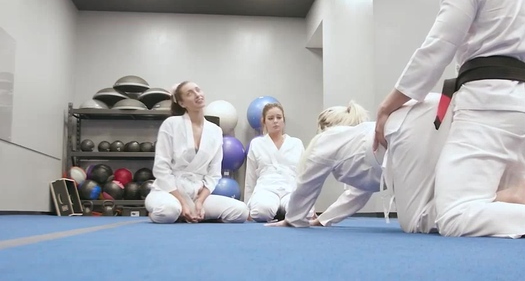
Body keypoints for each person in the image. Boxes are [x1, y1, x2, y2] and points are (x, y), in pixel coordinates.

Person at [373, 0, 525, 237]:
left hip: (488, 104)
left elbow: (436, 50)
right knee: (503, 193)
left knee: (455, 214)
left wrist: (386, 107)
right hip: (521, 104)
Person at [267, 94, 450, 233]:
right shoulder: (359, 140)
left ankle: (458, 211)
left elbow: (307, 184)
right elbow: (357, 193)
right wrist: (324, 219)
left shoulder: (327, 139)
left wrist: (293, 218)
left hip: (412, 126)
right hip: (435, 106)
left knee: (414, 221)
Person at [145, 81, 249, 224]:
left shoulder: (215, 131)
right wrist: (182, 203)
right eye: (190, 93)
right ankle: (172, 212)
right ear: (182, 103)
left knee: (241, 211)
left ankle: (193, 213)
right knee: (168, 212)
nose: (197, 94)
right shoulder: (171, 124)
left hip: (196, 194)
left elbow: (214, 174)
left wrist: (200, 202)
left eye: (198, 90)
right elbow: (161, 168)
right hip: (168, 192)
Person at [244, 102, 309, 222]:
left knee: (305, 213)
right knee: (260, 212)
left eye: (279, 117)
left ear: (283, 120)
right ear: (264, 121)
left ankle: (282, 212)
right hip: (266, 188)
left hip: (290, 188)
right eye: (270, 118)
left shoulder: (296, 143)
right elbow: (250, 178)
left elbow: (304, 174)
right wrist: (246, 206)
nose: (275, 121)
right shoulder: (257, 144)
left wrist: (310, 202)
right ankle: (276, 212)